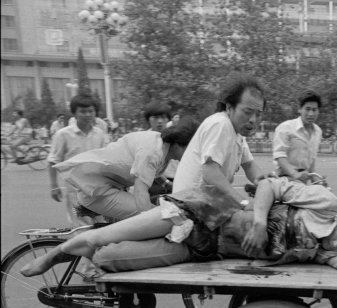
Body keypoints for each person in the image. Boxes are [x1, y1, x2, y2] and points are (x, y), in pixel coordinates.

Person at [21, 73, 268, 275]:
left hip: (202, 212)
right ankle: (56, 255)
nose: (254, 120)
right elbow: (210, 173)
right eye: (248, 112)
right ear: (229, 107)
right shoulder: (219, 125)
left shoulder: (236, 134)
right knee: (114, 232)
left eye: (259, 114)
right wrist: (245, 204)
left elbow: (250, 166)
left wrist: (265, 183)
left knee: (126, 238)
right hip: (180, 208)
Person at [20, 176, 337, 276]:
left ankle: (84, 256)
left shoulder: (330, 252)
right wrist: (259, 222)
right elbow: (270, 184)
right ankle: (57, 253)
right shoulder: (325, 202)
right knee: (105, 236)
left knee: (108, 259)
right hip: (203, 212)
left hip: (201, 247)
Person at [52, 118, 199, 221]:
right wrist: (153, 220)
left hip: (111, 187)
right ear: (178, 144)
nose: (193, 154)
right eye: (191, 149)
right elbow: (141, 191)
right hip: (97, 191)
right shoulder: (154, 152)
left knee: (151, 214)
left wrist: (166, 183)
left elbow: (145, 169)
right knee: (154, 216)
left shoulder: (161, 145)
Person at [48, 94, 110, 224]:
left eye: (91, 111)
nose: (87, 114)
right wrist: (54, 186)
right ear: (74, 113)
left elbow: (106, 158)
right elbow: (53, 160)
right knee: (81, 226)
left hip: (97, 187)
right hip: (74, 189)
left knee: (101, 225)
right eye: (83, 111)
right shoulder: (63, 135)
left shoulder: (100, 134)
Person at [272, 90, 323, 181]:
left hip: (303, 180)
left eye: (314, 110)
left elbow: (311, 160)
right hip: (285, 179)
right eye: (307, 109)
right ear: (299, 109)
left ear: (318, 111)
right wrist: (295, 174)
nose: (311, 114)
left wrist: (315, 179)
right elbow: (280, 156)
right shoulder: (286, 128)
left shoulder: (318, 131)